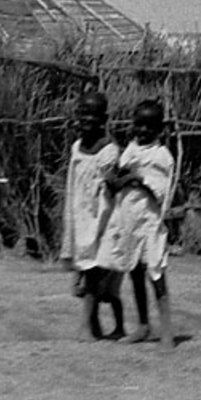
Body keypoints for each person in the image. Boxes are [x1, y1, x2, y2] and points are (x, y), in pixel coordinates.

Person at [106, 99, 176, 351]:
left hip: (150, 222)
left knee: (155, 272)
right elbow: (118, 179)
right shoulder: (130, 150)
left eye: (149, 126)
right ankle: (143, 326)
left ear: (159, 130)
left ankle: (166, 330)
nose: (142, 130)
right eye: (138, 124)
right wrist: (121, 178)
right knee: (134, 271)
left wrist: (138, 178)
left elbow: (161, 190)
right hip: (129, 220)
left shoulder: (162, 156)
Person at [59, 90, 126, 341]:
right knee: (85, 269)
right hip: (80, 216)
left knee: (94, 270)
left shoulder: (109, 151)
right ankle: (94, 324)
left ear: (104, 119)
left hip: (101, 218)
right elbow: (73, 182)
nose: (86, 119)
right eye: (82, 113)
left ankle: (86, 325)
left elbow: (112, 184)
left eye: (93, 115)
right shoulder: (77, 148)